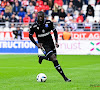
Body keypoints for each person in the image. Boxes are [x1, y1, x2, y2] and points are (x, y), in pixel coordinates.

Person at [29, 11, 71, 82]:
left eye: (41, 16)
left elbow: (55, 31)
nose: (40, 18)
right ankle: (65, 78)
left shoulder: (48, 23)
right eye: (39, 17)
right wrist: (36, 44)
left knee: (53, 58)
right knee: (54, 59)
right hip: (43, 45)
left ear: (43, 16)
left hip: (51, 43)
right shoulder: (34, 26)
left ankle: (42, 57)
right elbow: (30, 36)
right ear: (37, 17)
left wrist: (56, 42)